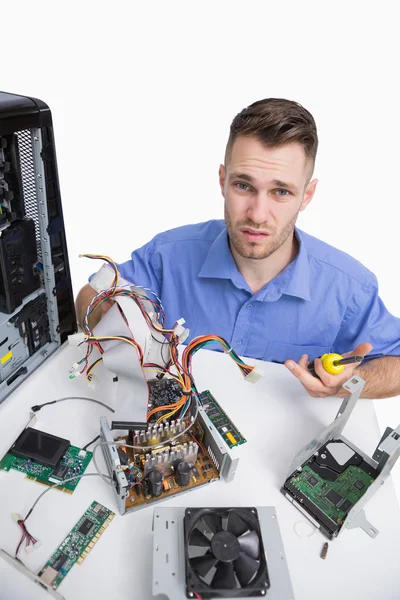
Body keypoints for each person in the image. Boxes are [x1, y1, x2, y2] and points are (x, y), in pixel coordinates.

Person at [76, 98, 400, 399]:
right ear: (222, 180)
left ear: (307, 195)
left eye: (281, 192)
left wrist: (351, 384)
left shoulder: (350, 287)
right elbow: (90, 297)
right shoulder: (168, 255)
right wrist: (120, 327)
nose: (257, 215)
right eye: (243, 186)